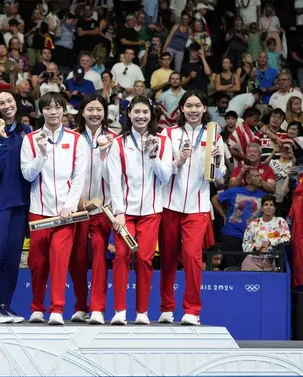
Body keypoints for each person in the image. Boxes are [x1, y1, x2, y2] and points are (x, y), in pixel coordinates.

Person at [20, 92, 89, 325]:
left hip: (65, 214)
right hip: (39, 208)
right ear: (41, 112)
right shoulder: (30, 139)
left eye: (57, 107)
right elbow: (27, 174)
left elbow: (79, 176)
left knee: (60, 260)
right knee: (37, 263)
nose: (53, 112)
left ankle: (57, 309)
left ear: (64, 110)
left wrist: (70, 205)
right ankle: (37, 308)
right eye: (48, 108)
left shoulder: (76, 139)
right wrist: (41, 154)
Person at [159, 90, 226, 326]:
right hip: (169, 204)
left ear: (205, 109)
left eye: (198, 106)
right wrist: (179, 161)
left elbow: (220, 176)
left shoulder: (214, 135)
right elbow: (162, 171)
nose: (194, 110)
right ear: (181, 109)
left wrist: (218, 160)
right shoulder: (168, 134)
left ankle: (192, 311)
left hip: (198, 206)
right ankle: (166, 308)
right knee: (168, 258)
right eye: (189, 106)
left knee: (191, 256)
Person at [107, 96, 172, 325]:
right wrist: (118, 211)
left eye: (145, 112)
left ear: (151, 115)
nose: (141, 116)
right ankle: (119, 311)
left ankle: (142, 312)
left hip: (151, 210)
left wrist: (153, 156)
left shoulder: (163, 142)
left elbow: (165, 177)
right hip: (124, 212)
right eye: (136, 112)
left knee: (144, 259)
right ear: (129, 114)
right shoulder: (118, 143)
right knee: (121, 256)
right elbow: (114, 180)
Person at [0, 91, 32, 323]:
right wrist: (1, 141)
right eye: (2, 103)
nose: (7, 105)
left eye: (10, 100)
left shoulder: (27, 132)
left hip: (21, 203)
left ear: (16, 103)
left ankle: (5, 305)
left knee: (13, 257)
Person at [69, 94, 118, 325]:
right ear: (82, 112)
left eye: (99, 109)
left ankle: (98, 308)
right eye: (90, 109)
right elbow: (64, 173)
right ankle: (81, 306)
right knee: (76, 258)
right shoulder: (73, 138)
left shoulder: (114, 139)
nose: (95, 113)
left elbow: (117, 176)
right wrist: (74, 199)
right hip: (77, 209)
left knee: (99, 255)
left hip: (102, 209)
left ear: (105, 113)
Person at [241, 195, 290, 271]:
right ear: (262, 208)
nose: (269, 207)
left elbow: (286, 237)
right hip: (252, 261)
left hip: (271, 261)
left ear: (274, 208)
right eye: (266, 204)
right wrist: (257, 248)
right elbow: (245, 244)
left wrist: (270, 242)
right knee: (251, 283)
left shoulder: (280, 221)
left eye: (271, 205)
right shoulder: (253, 223)